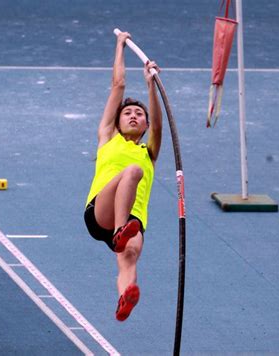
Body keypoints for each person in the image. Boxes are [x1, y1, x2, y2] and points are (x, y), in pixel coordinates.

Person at [84, 31, 162, 321]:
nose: (132, 116)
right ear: (116, 121)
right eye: (127, 112)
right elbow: (118, 85)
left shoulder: (149, 151)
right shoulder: (108, 137)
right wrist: (120, 47)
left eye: (139, 115)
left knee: (129, 259)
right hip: (102, 214)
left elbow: (157, 128)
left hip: (133, 220)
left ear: (144, 126)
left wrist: (151, 86)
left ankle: (123, 298)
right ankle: (119, 233)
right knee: (132, 172)